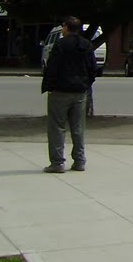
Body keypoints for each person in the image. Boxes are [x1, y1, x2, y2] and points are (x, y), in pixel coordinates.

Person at [41, 16, 97, 173]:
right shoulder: (86, 45)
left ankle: (57, 162)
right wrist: (86, 84)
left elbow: (52, 67)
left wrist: (49, 86)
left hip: (60, 91)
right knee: (78, 127)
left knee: (57, 127)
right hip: (79, 92)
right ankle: (79, 160)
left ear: (66, 27)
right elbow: (93, 68)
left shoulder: (60, 44)